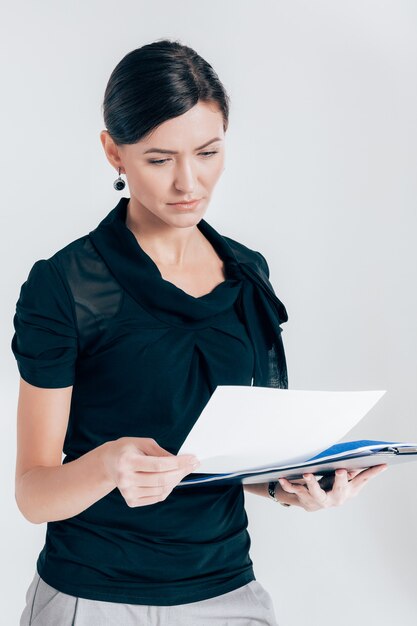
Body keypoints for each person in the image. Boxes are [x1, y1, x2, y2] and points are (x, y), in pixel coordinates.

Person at [11, 38, 388, 626]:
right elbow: (33, 493)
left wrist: (291, 486)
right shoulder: (65, 285)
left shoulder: (246, 271)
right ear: (114, 152)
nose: (189, 182)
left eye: (208, 152)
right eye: (160, 160)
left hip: (228, 595)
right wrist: (109, 465)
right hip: (94, 596)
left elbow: (235, 456)